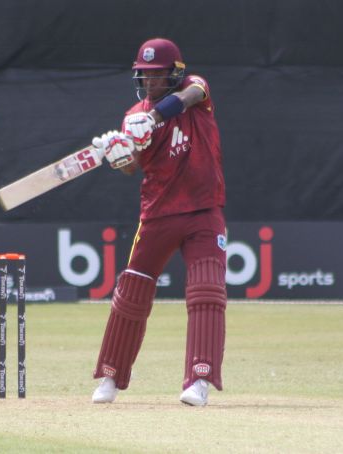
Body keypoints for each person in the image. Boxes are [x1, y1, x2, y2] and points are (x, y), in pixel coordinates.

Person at [88, 38, 227, 406]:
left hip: (203, 210)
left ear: (174, 74)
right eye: (144, 75)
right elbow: (132, 166)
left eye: (157, 75)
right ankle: (111, 376)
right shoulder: (132, 115)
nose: (149, 82)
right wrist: (120, 154)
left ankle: (199, 379)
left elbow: (190, 96)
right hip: (157, 215)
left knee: (207, 290)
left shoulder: (194, 89)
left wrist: (152, 118)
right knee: (131, 293)